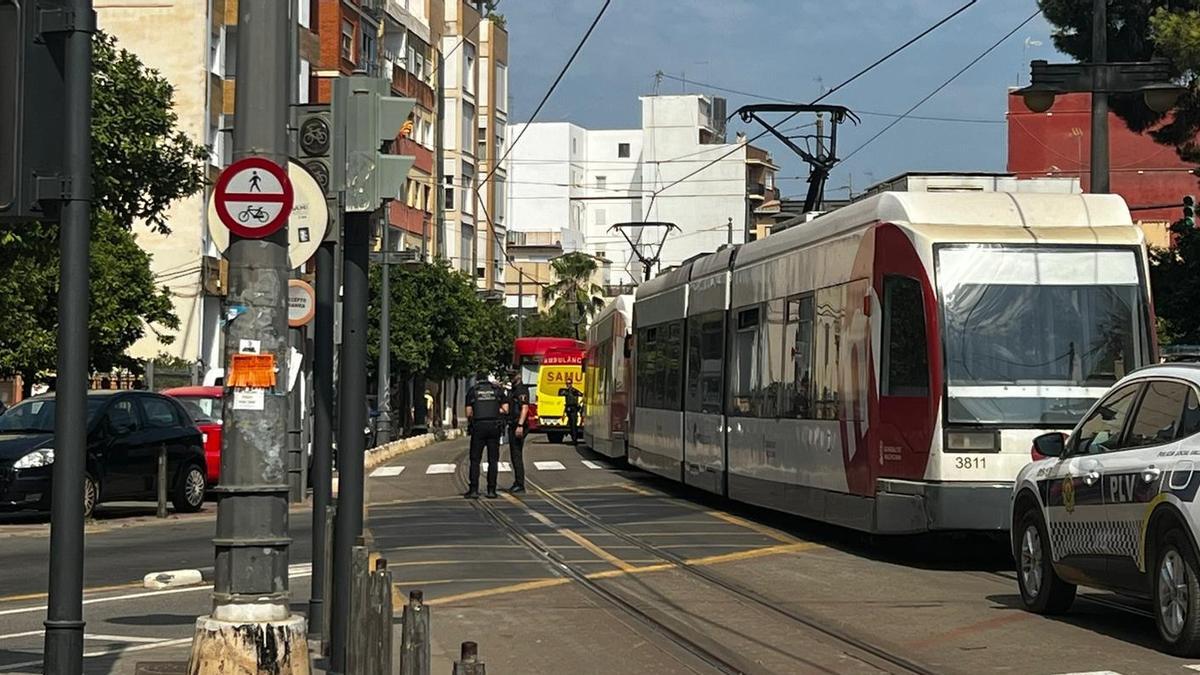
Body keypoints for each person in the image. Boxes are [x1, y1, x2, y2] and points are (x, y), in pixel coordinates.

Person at [464, 370, 507, 499]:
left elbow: (468, 413)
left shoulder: (473, 391)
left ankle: (474, 490)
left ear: (477, 378)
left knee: (475, 459)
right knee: (493, 460)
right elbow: (506, 409)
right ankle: (491, 490)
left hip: (478, 427)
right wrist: (494, 410)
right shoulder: (497, 390)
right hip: (494, 426)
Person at [505, 370, 530, 493]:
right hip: (513, 424)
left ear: (518, 376)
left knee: (516, 455)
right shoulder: (513, 390)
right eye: (510, 376)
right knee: (514, 455)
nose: (511, 378)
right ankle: (517, 481)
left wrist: (520, 425)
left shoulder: (521, 390)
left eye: (512, 376)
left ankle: (520, 484)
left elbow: (524, 408)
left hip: (518, 426)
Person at [559, 378, 582, 445]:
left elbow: (580, 394)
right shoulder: (565, 391)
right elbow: (560, 394)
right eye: (567, 383)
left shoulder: (574, 391)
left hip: (573, 408)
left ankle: (575, 440)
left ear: (571, 383)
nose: (568, 385)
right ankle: (573, 439)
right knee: (570, 425)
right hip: (568, 408)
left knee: (573, 425)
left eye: (569, 383)